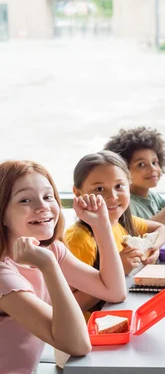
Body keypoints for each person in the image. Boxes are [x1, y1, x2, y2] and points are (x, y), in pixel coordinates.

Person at [0, 160, 127, 374]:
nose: (42, 207)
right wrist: (49, 267)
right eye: (25, 200)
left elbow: (114, 292)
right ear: (2, 214)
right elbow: (77, 344)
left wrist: (101, 225)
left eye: (48, 196)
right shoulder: (5, 275)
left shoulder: (50, 250)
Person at [63, 151, 165, 314]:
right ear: (78, 194)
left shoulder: (122, 221)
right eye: (99, 189)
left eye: (119, 186)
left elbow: (163, 230)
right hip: (93, 333)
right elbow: (67, 306)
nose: (112, 197)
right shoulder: (79, 240)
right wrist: (116, 271)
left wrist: (152, 248)